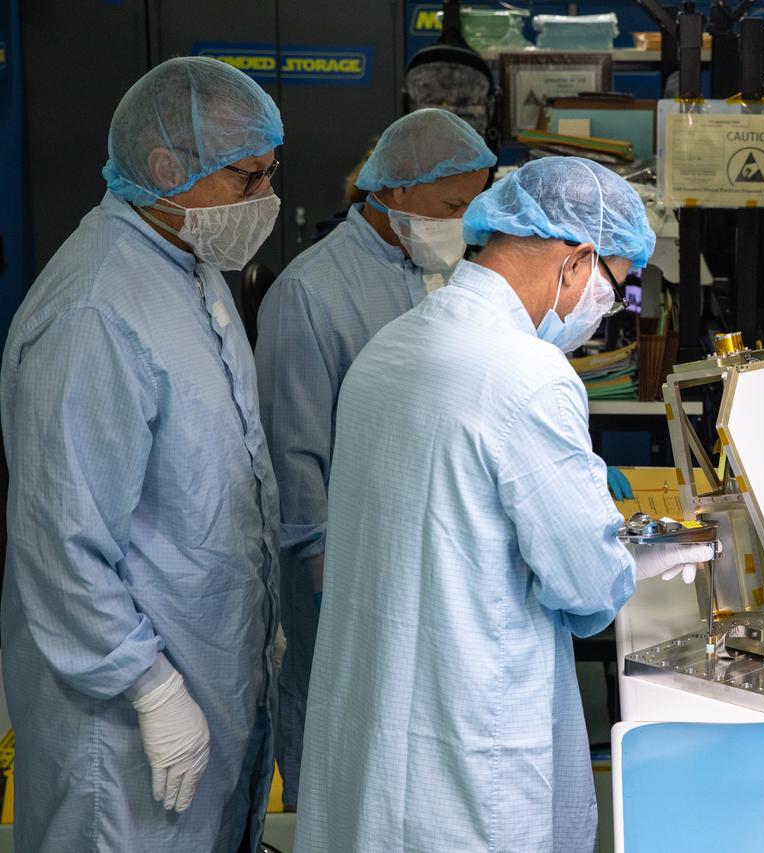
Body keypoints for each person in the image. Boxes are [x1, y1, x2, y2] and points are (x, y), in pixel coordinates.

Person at [294, 156, 714, 852]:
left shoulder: (387, 348)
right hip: (467, 759)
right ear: (575, 263)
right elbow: (586, 592)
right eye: (615, 286)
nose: (608, 307)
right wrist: (611, 541)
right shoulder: (529, 374)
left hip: (374, 741)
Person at [1, 56, 283, 852]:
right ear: (166, 170)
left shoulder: (190, 266)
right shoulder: (96, 309)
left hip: (205, 664)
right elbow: (61, 543)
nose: (266, 199)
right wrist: (150, 685)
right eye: (247, 178)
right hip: (121, 717)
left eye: (270, 174)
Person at [254, 107, 494, 809]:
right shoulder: (311, 292)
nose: (467, 220)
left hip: (427, 561)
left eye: (478, 202)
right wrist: (337, 589)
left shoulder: (439, 268)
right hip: (343, 576)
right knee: (340, 746)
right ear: (394, 192)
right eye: (454, 205)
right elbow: (293, 460)